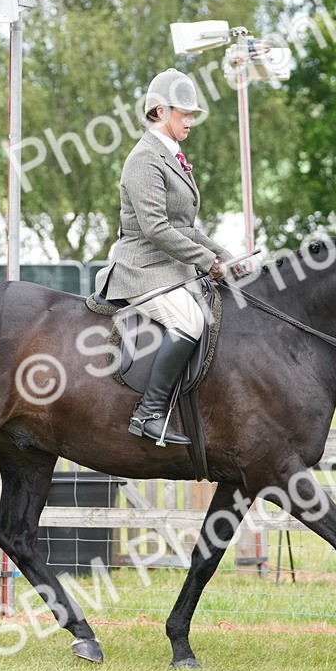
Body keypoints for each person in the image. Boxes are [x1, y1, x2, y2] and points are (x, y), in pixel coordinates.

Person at [94, 68, 246, 445]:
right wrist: (207, 262)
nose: (191, 120)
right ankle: (149, 412)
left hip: (171, 269)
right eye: (185, 112)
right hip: (141, 269)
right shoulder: (145, 158)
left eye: (192, 113)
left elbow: (185, 226)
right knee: (191, 322)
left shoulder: (171, 157)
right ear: (161, 111)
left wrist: (226, 256)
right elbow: (156, 229)